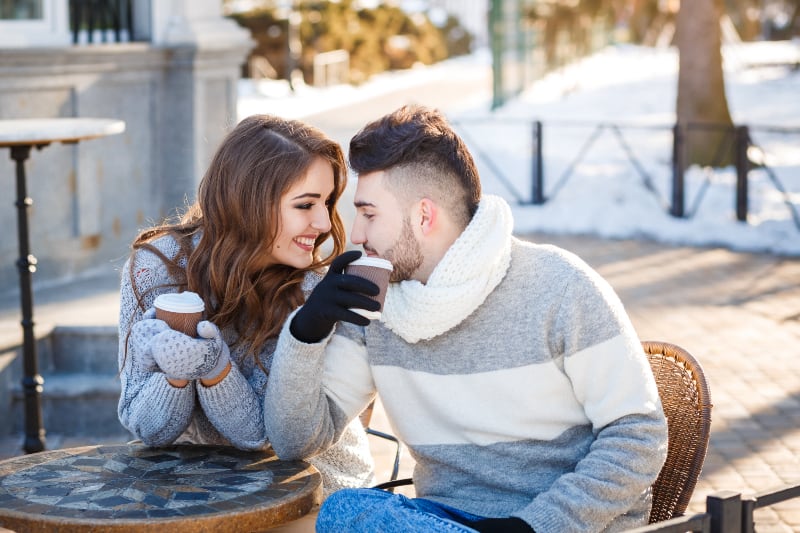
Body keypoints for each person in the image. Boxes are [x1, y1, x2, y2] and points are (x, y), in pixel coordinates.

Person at [262, 105, 669, 533]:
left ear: (423, 215)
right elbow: (296, 441)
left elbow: (637, 436)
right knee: (346, 509)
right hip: (445, 520)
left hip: (562, 526)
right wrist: (307, 330)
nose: (356, 234)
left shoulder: (562, 287)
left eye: (368, 213)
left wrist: (533, 526)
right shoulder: (373, 306)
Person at [116, 114, 377, 501]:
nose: (324, 222)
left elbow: (260, 435)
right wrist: (175, 374)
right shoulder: (157, 267)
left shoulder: (311, 287)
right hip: (197, 490)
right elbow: (146, 427)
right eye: (305, 205)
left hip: (316, 488)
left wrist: (212, 367)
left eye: (327, 202)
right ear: (248, 203)